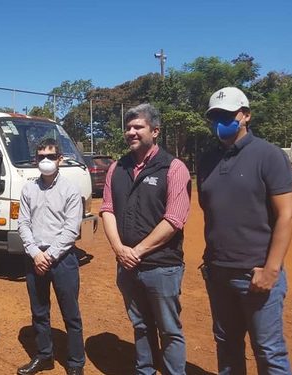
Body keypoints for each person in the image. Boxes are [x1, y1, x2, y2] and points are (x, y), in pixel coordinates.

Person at [198, 87, 292, 374]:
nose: (220, 122)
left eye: (227, 115)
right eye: (215, 116)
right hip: (218, 272)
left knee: (268, 350)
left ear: (246, 115)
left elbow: (286, 216)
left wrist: (271, 269)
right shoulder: (207, 159)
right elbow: (212, 212)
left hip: (256, 274)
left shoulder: (268, 155)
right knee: (226, 346)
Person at [100, 104, 191, 375]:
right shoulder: (117, 168)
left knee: (169, 329)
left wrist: (136, 251)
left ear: (155, 130)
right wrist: (119, 249)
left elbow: (174, 219)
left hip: (162, 266)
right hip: (127, 266)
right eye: (128, 127)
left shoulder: (174, 168)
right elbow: (107, 209)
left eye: (138, 127)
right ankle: (145, 370)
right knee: (140, 325)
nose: (131, 132)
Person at [17, 138, 85, 375]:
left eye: (51, 156)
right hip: (35, 258)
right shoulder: (28, 189)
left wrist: (49, 255)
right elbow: (23, 223)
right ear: (35, 160)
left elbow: (71, 229)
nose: (45, 161)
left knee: (71, 314)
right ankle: (45, 355)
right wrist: (36, 253)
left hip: (63, 259)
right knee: (39, 311)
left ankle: (76, 363)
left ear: (60, 159)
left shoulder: (70, 190)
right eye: (41, 157)